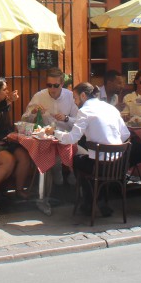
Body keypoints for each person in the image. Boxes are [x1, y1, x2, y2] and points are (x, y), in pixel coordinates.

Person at [45, 82, 129, 216]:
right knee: (87, 161)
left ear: (83, 95)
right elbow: (126, 135)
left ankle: (89, 202)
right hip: (118, 163)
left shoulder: (85, 111)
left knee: (78, 161)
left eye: (75, 98)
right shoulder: (110, 108)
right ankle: (98, 201)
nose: (74, 101)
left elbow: (72, 138)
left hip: (99, 165)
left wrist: (55, 133)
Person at [0, 77, 33, 206]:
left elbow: (4, 126)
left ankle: (19, 190)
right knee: (9, 160)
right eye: (4, 90)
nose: (7, 92)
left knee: (25, 157)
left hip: (6, 143)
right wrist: (8, 101)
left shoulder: (4, 106)